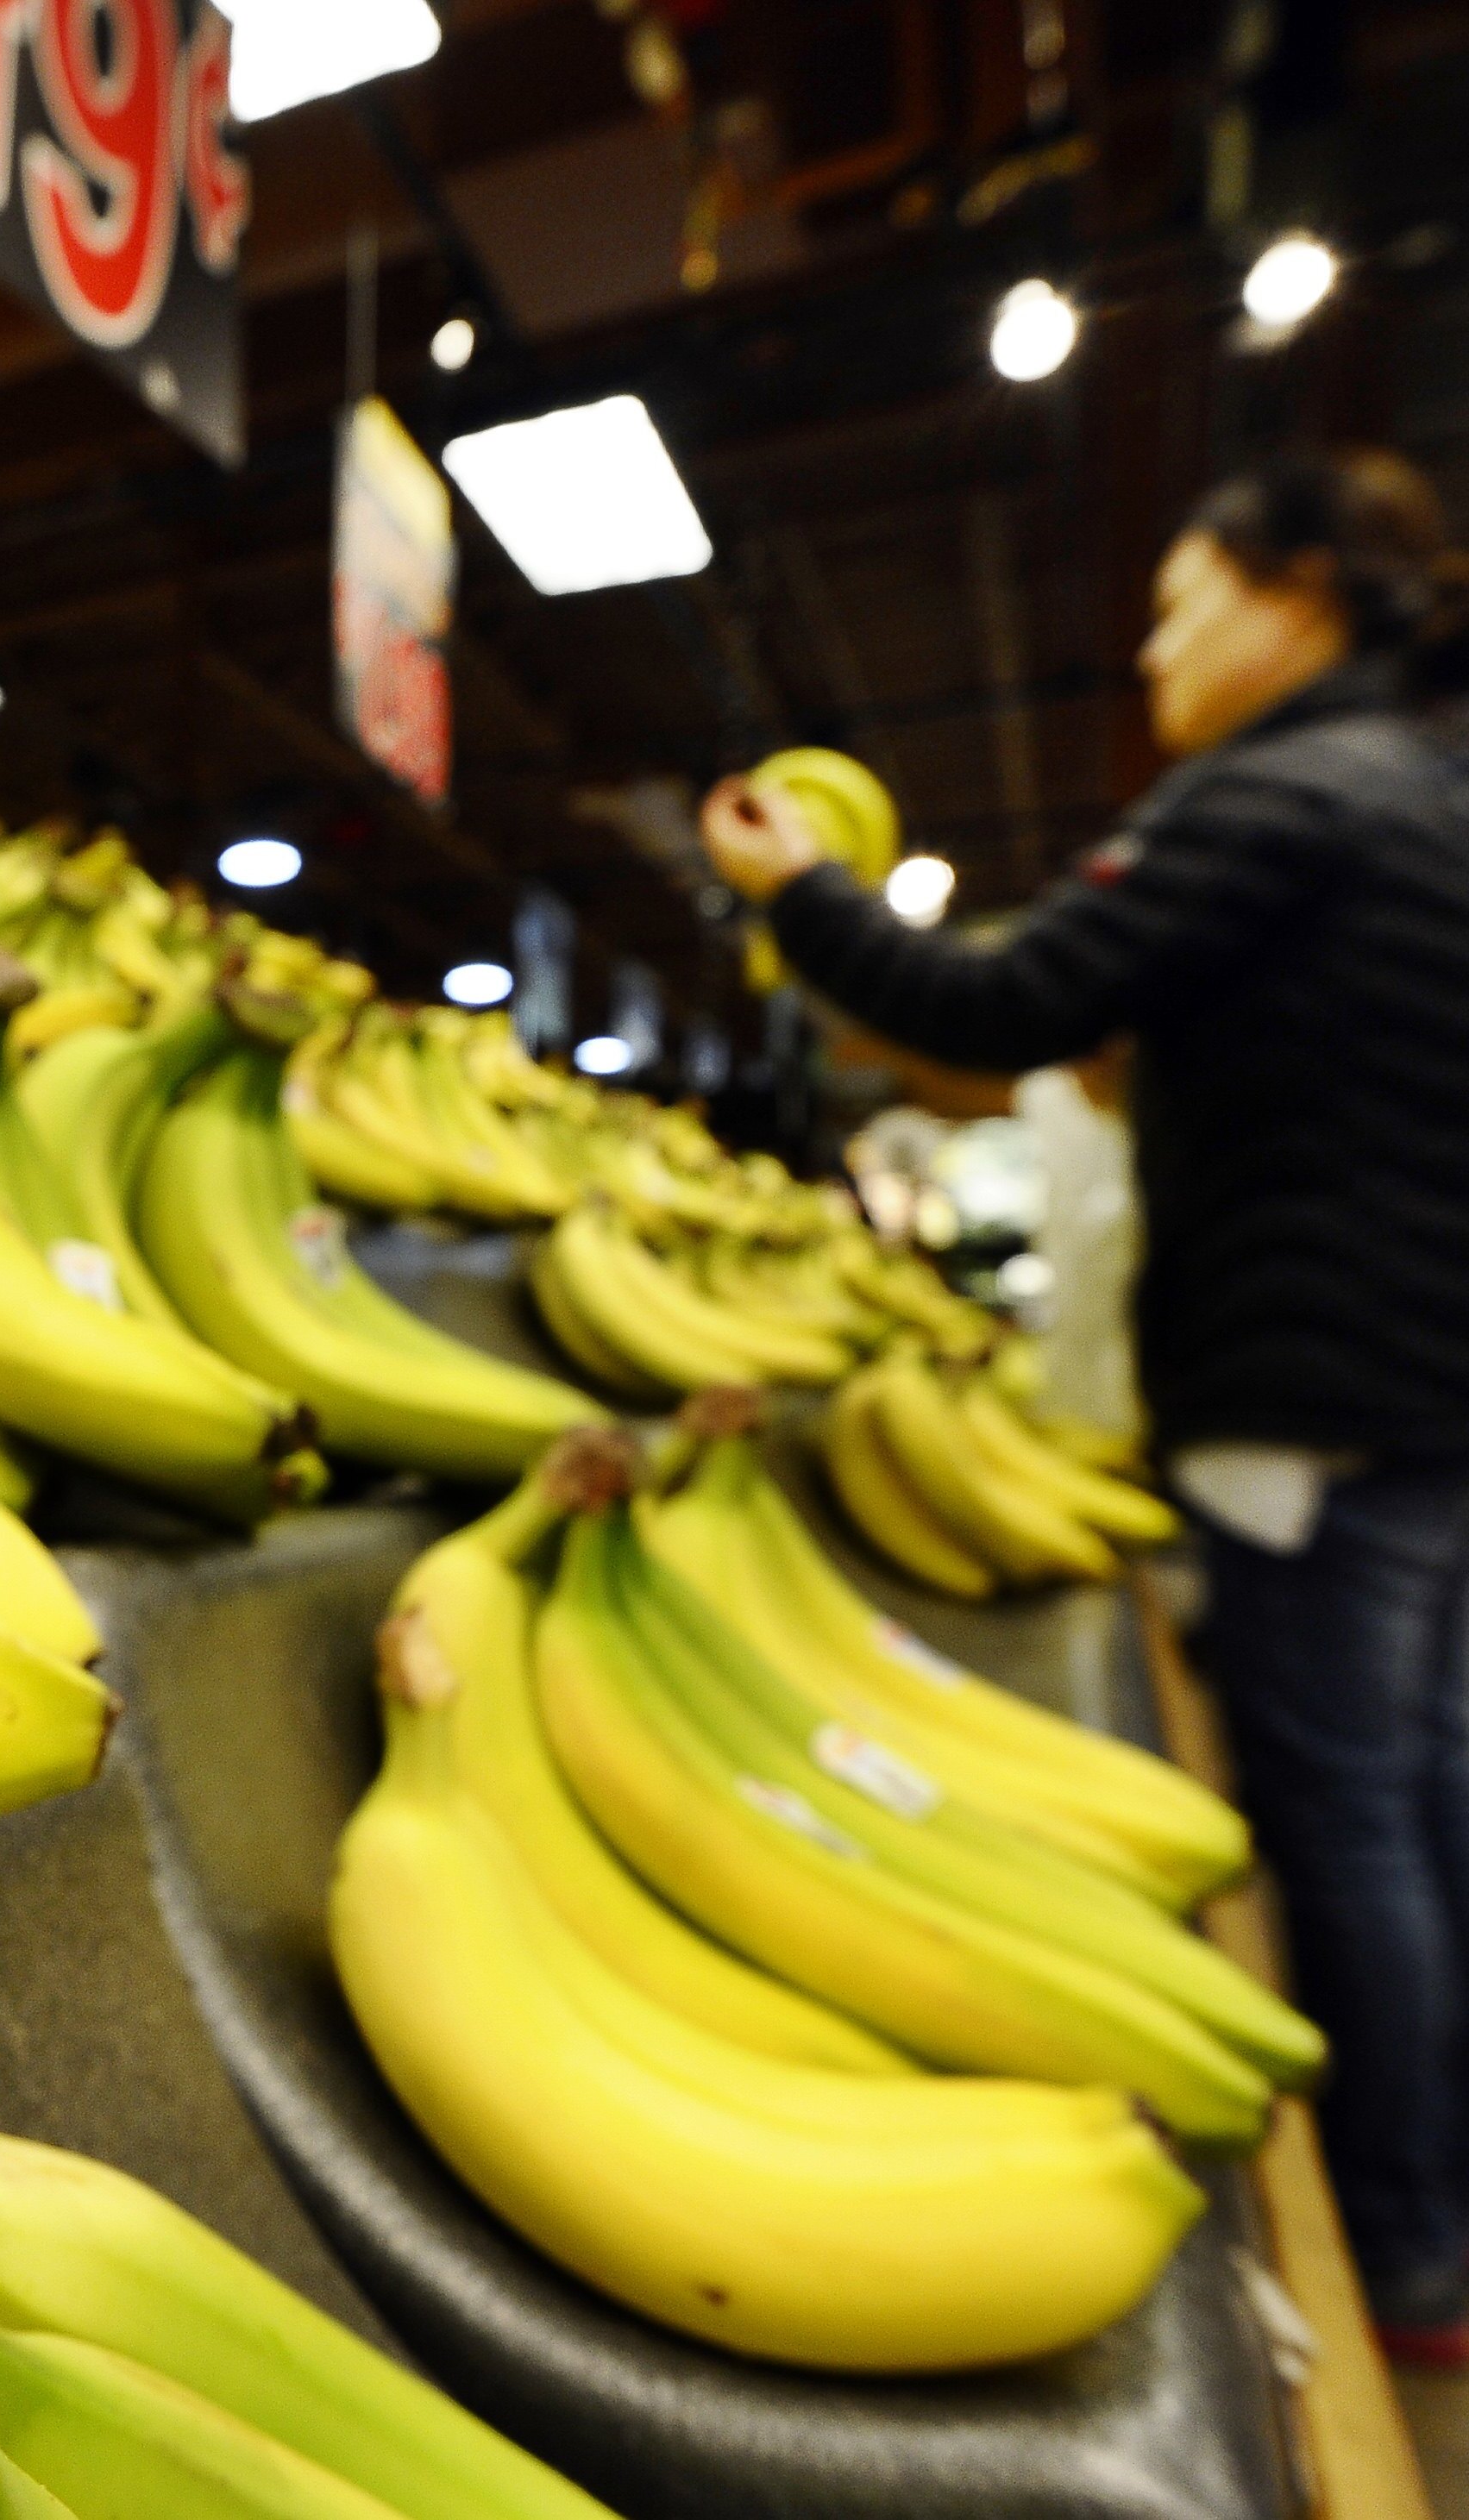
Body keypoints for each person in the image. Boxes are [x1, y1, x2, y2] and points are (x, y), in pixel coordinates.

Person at [701, 448, 1469, 2359]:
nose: (1150, 652)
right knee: (1434, 1785)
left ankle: (1407, 2250)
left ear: (1298, 591)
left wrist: (799, 890)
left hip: (1309, 1393)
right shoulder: (1424, 795)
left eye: (1178, 603)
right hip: (1426, 1392)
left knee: (1346, 1813)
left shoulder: (1276, 795)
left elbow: (1002, 1002)